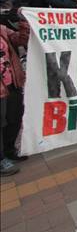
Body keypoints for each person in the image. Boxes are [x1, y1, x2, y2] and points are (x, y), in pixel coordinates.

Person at [1, 20, 30, 176]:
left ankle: (9, 150)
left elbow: (21, 39)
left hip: (13, 82)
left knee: (15, 116)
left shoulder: (3, 30)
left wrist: (24, 22)